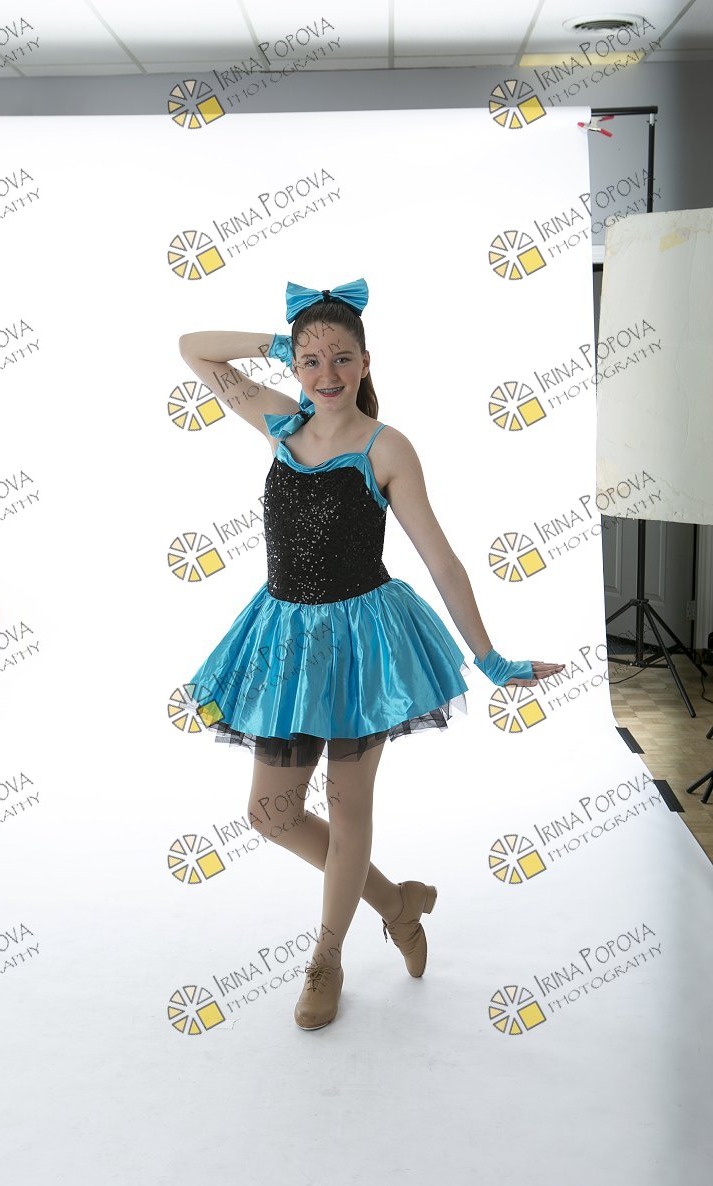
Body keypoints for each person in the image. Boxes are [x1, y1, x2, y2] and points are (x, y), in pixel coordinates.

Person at [179, 278, 564, 1032]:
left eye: (342, 359)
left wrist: (491, 660)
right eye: (311, 360)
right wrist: (274, 342)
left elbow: (441, 560)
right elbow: (193, 349)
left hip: (362, 643)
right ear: (294, 364)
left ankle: (326, 959)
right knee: (270, 813)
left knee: (349, 806)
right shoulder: (278, 422)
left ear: (365, 362)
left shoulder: (386, 447)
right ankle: (397, 903)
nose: (326, 374)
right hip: (287, 641)